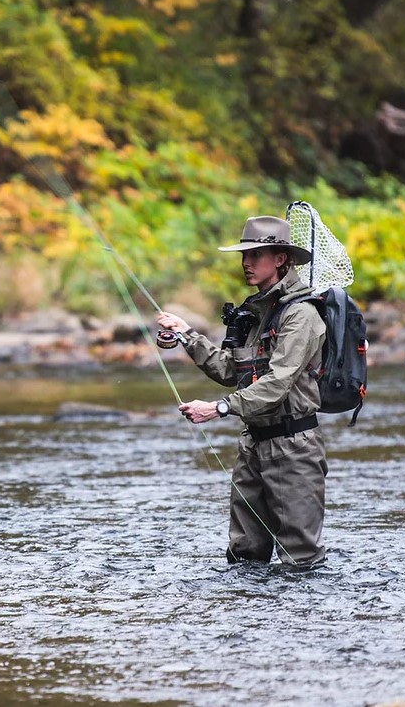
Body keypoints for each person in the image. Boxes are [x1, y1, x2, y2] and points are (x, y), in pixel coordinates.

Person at [156, 215, 328, 567]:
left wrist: (217, 409)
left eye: (255, 255)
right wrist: (187, 335)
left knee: (300, 562)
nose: (246, 263)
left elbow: (277, 384)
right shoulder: (258, 311)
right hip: (253, 446)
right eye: (243, 255)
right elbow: (230, 371)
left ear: (280, 259)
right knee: (245, 557)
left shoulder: (302, 315)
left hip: (294, 449)